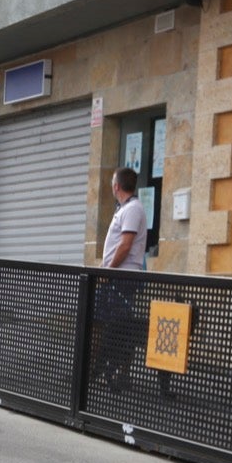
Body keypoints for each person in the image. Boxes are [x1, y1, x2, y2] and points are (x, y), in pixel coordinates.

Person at [97, 166, 149, 392]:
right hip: (116, 277)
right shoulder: (125, 209)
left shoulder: (133, 209)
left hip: (121, 279)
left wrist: (108, 272)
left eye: (112, 183)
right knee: (112, 327)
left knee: (119, 328)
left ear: (116, 186)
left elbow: (126, 245)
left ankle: (116, 375)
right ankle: (104, 372)